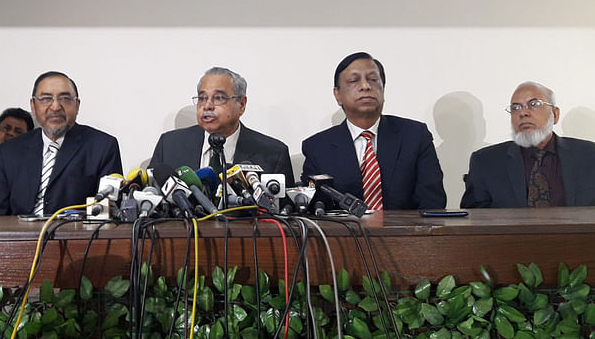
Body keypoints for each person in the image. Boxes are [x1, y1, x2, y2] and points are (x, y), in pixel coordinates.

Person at [301, 52, 446, 210]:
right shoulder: (317, 147)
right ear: (337, 95)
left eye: (373, 79)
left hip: (404, 232)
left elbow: (432, 202)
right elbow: (314, 209)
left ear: (383, 89)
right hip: (343, 234)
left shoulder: (415, 136)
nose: (365, 86)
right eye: (354, 80)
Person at [0, 71, 122, 216]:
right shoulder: (11, 151)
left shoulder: (102, 147)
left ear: (77, 106)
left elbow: (108, 212)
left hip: (74, 236)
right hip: (19, 235)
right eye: (46, 98)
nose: (55, 107)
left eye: (65, 98)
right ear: (33, 106)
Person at [149, 66, 295, 185]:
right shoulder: (169, 146)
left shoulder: (273, 153)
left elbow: (284, 214)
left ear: (242, 105)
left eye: (218, 98)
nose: (207, 106)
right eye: (202, 98)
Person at [461, 81, 595, 208]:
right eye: (516, 107)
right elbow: (473, 218)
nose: (523, 113)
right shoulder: (485, 162)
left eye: (534, 104)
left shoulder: (589, 155)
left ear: (555, 114)